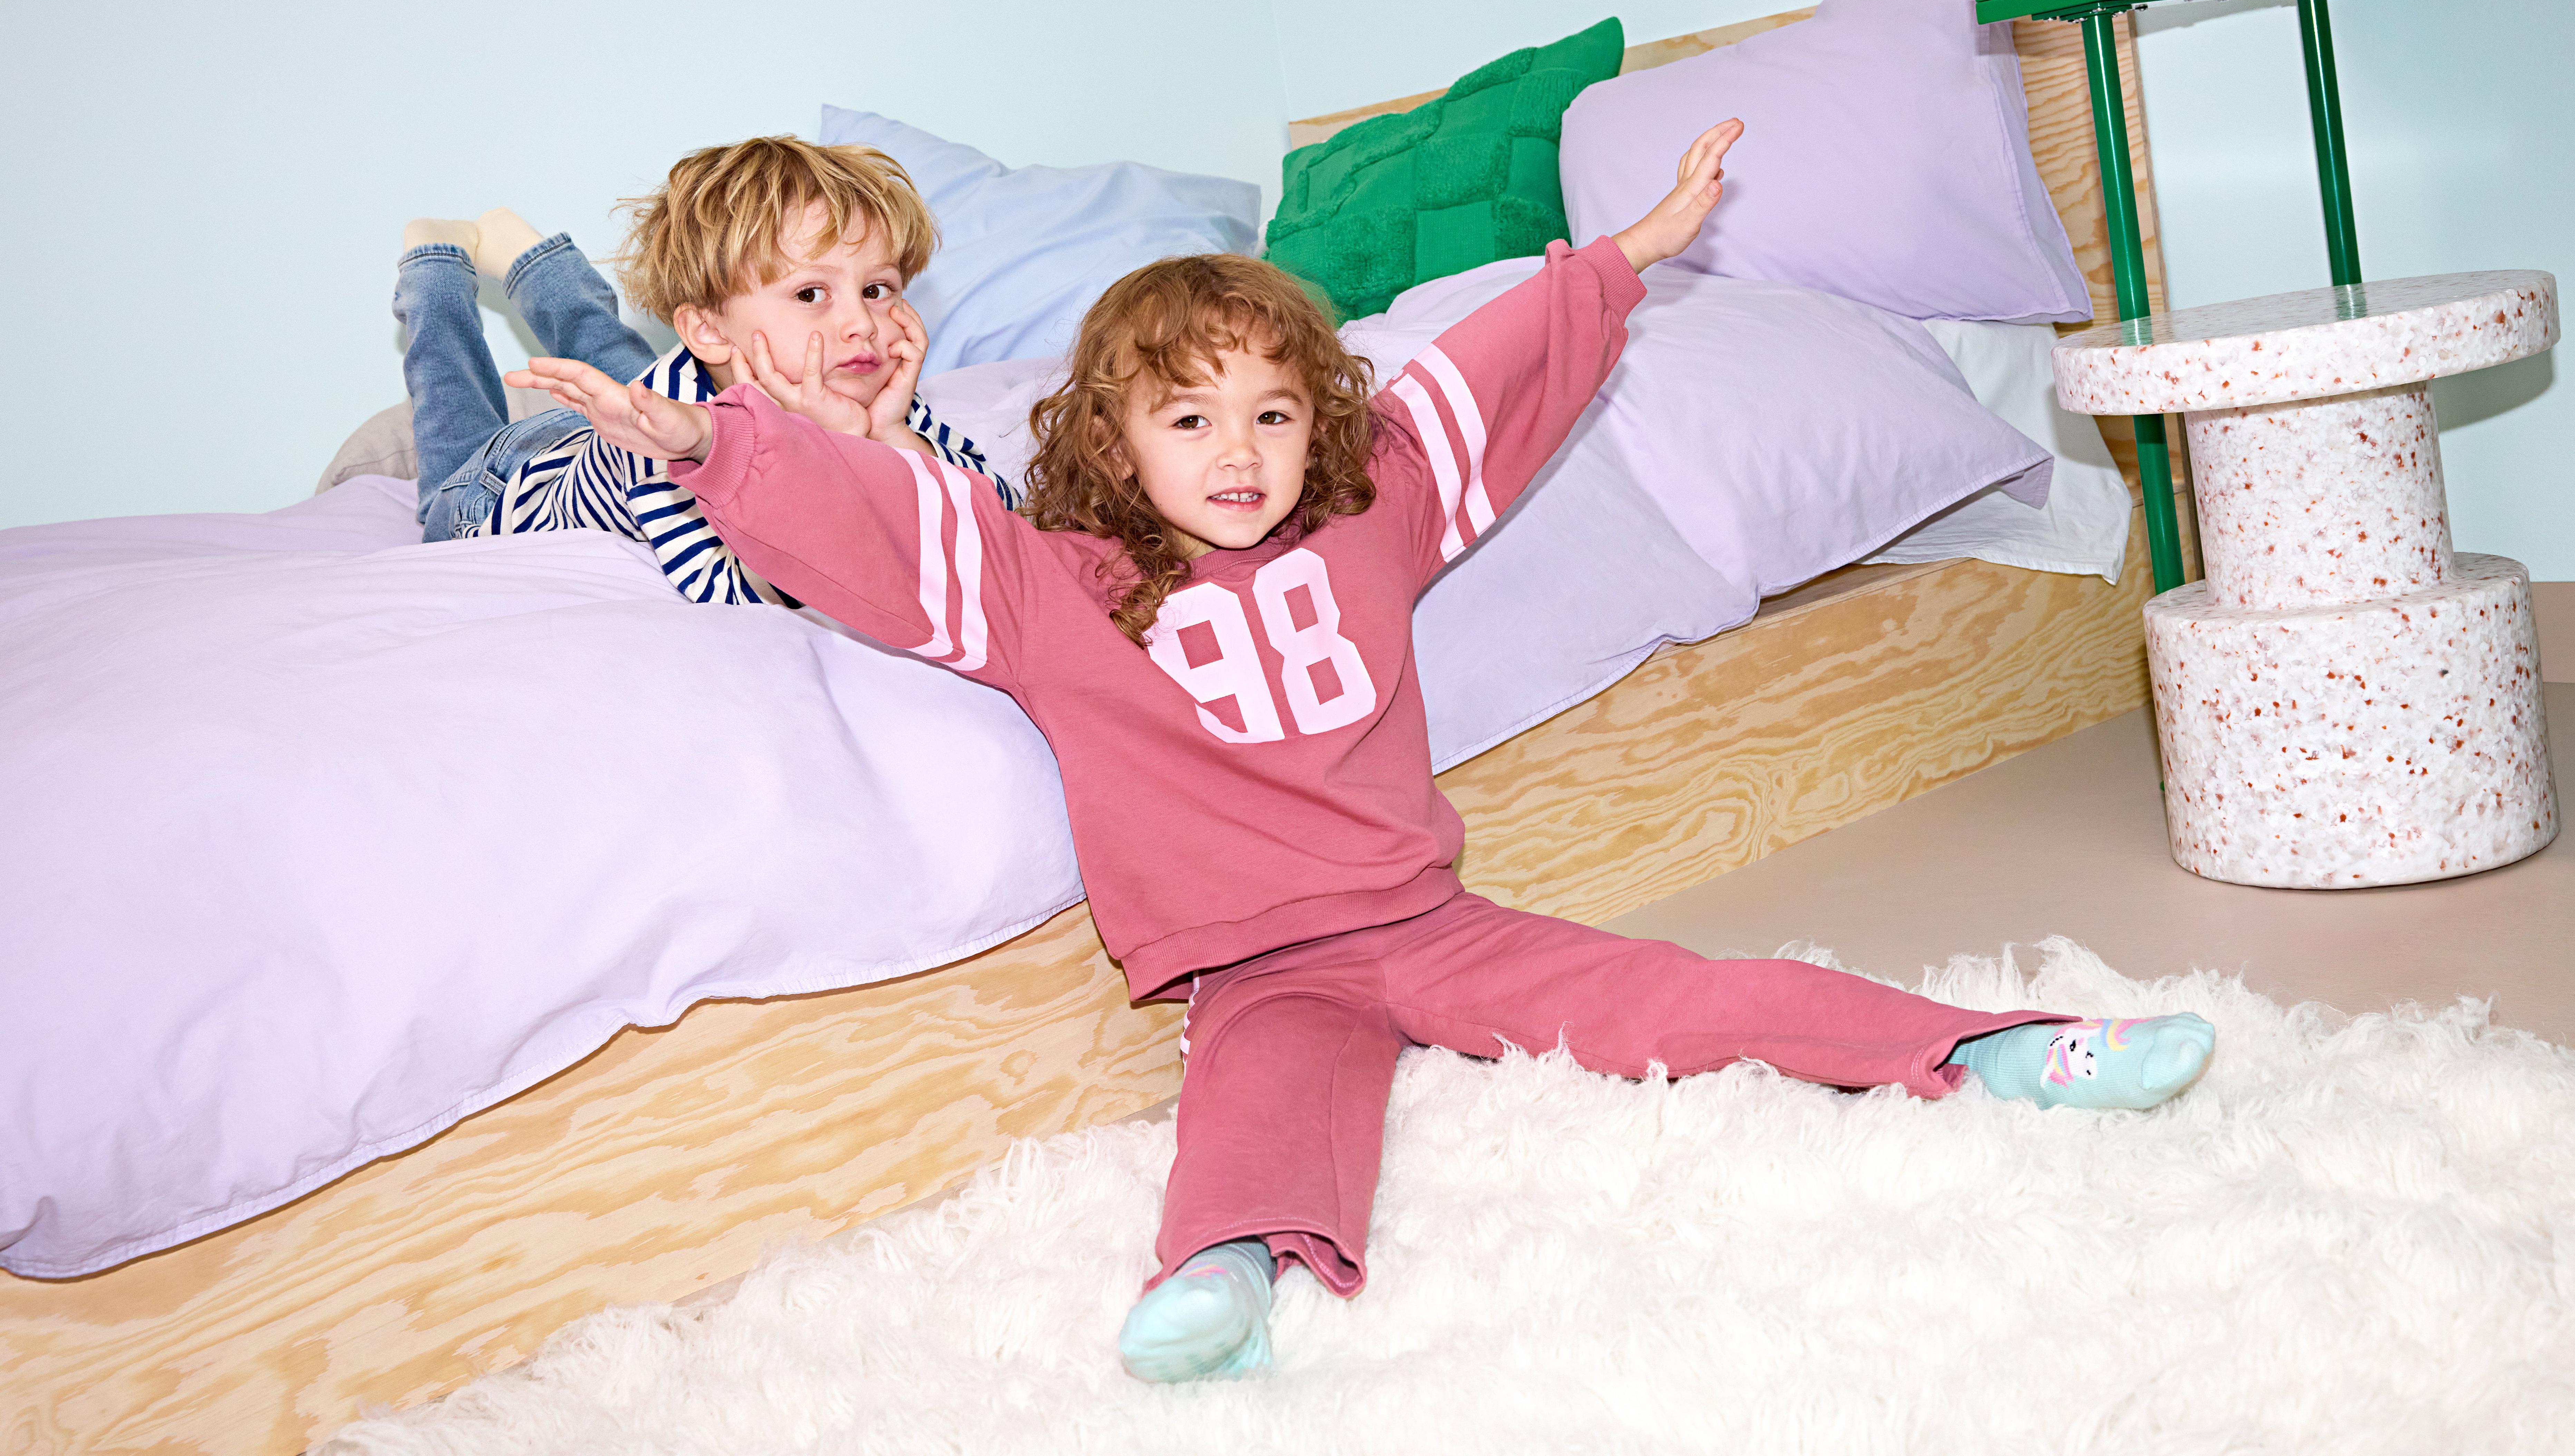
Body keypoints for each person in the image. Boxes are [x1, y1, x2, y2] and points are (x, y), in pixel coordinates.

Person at [516, 118, 2215, 1382]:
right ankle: (1217, 1286)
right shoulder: (1057, 583)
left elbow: (1478, 393)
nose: (1240, 451)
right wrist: (712, 449)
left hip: (1429, 923)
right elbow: (902, 554)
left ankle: (2006, 1045)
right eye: (1186, 420)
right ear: (1107, 443)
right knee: (1249, 1134)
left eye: (1270, 411)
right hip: (1253, 974)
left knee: (1683, 1000)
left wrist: (1616, 259)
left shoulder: (1367, 514)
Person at [391, 137, 1013, 604]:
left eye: (878, 289)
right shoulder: (662, 446)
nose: (863, 325)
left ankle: (528, 256)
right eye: (810, 295)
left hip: (639, 412)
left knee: (621, 370)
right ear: (710, 331)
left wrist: (895, 436)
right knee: (454, 411)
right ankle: (433, 268)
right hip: (500, 489)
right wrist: (844, 453)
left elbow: (1006, 523)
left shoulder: (868, 382)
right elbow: (737, 591)